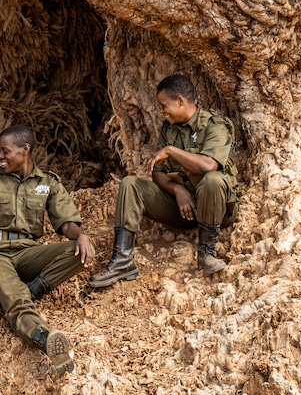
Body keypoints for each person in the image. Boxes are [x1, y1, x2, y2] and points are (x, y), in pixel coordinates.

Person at [0, 125, 93, 375]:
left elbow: (66, 223)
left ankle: (34, 288)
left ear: (25, 150)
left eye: (6, 152)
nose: (0, 157)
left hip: (27, 251)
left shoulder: (48, 183)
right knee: (15, 297)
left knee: (79, 252)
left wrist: (81, 236)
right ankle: (45, 339)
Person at [89, 74, 239, 287]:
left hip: (217, 211)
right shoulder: (169, 129)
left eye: (164, 105)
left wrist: (170, 150)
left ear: (180, 100)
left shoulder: (214, 125)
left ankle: (207, 253)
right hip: (183, 210)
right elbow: (157, 172)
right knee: (130, 184)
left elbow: (208, 166)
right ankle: (122, 260)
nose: (161, 111)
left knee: (213, 180)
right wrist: (177, 190)